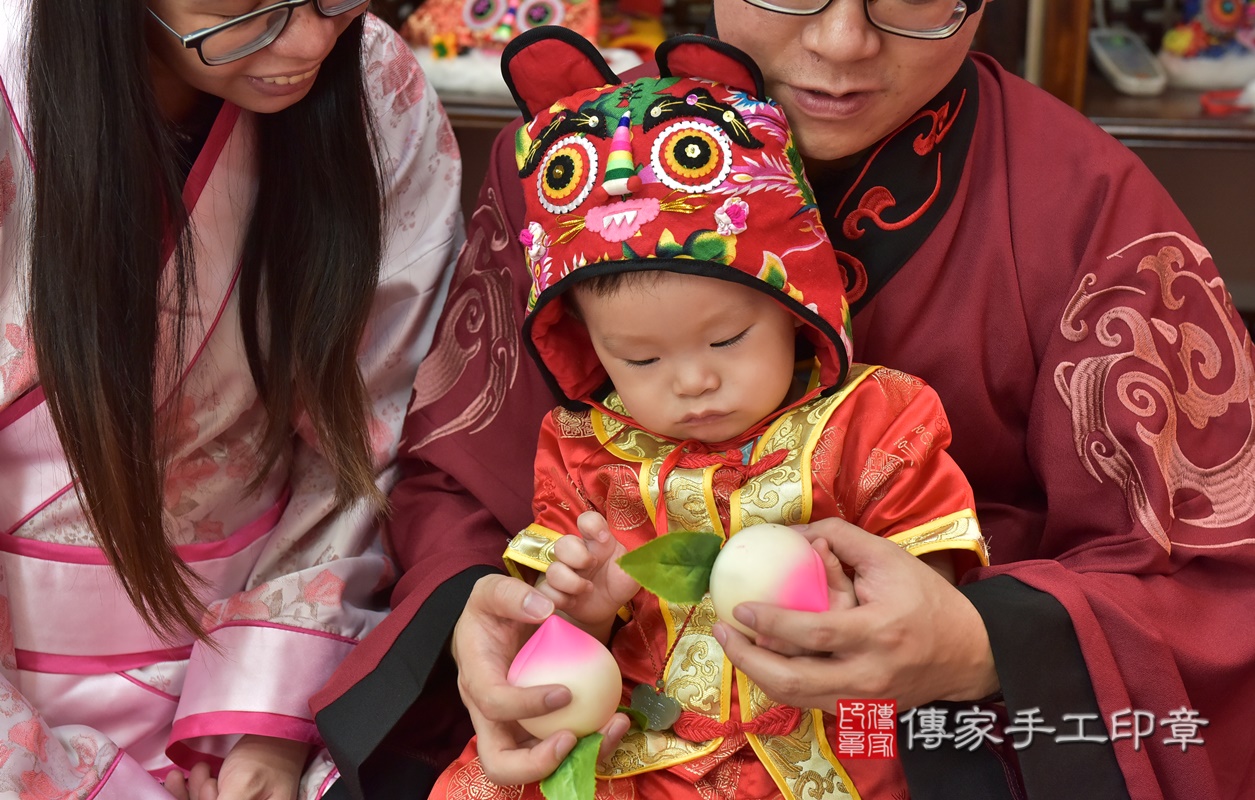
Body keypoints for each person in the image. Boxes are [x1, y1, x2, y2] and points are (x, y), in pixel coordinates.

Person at [312, 1, 1255, 798]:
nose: (843, 42)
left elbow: (1219, 581)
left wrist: (975, 640)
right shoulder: (576, 160)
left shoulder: (1078, 205)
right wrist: (493, 616)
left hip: (936, 749)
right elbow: (465, 477)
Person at [421, 31, 987, 798]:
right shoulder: (586, 446)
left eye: (727, 337)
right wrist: (577, 615)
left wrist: (860, 602)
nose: (692, 381)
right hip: (640, 743)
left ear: (798, 304)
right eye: (640, 361)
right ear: (586, 349)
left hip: (827, 737)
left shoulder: (877, 420)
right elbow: (552, 644)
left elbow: (931, 590)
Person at [0, 0, 460, 798]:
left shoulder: (372, 80)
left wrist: (267, 718)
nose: (313, 42)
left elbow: (376, 414)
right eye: (242, 12)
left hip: (268, 677)